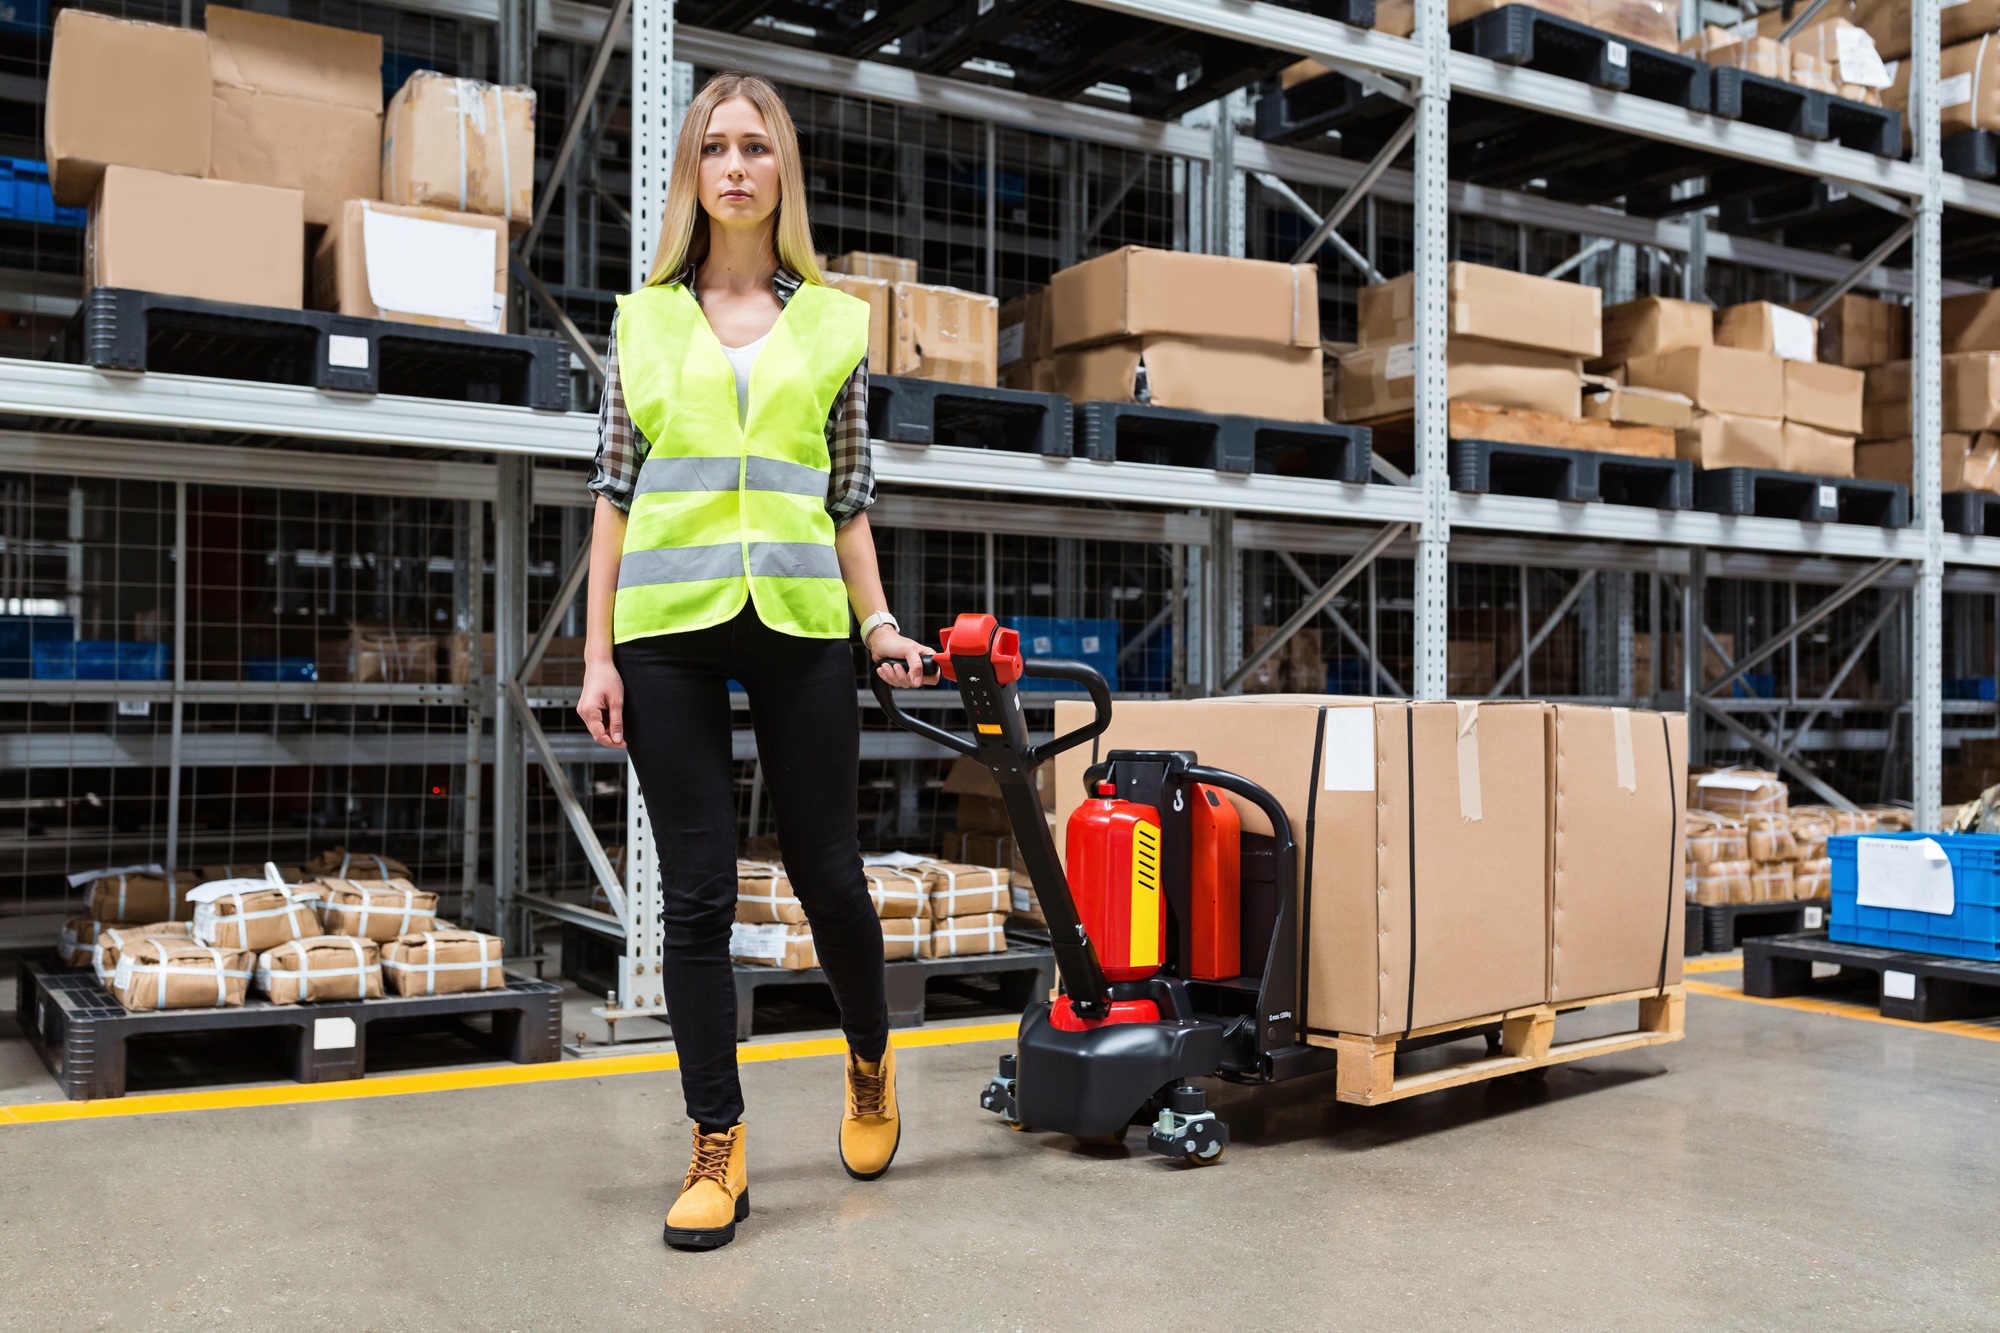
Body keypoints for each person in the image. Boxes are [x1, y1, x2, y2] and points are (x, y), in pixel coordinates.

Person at [578, 71, 932, 1252]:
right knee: (698, 894)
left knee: (830, 871)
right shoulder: (644, 321)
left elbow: (848, 500)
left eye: (756, 147)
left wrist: (877, 626)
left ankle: (871, 1061)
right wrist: (596, 653)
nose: (735, 165)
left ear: (781, 172)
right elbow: (614, 496)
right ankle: (716, 1145)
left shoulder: (833, 323)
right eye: (715, 147)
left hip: (795, 619)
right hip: (665, 629)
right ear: (691, 173)